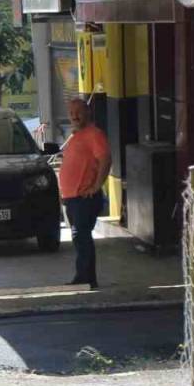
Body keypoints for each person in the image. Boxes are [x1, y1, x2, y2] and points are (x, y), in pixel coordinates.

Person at [59, 98, 112, 289]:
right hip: (72, 198)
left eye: (78, 112)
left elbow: (105, 159)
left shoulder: (94, 134)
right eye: (71, 113)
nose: (74, 116)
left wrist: (97, 186)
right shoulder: (76, 136)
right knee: (79, 237)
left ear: (88, 112)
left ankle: (86, 278)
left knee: (81, 236)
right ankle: (84, 277)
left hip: (84, 198)